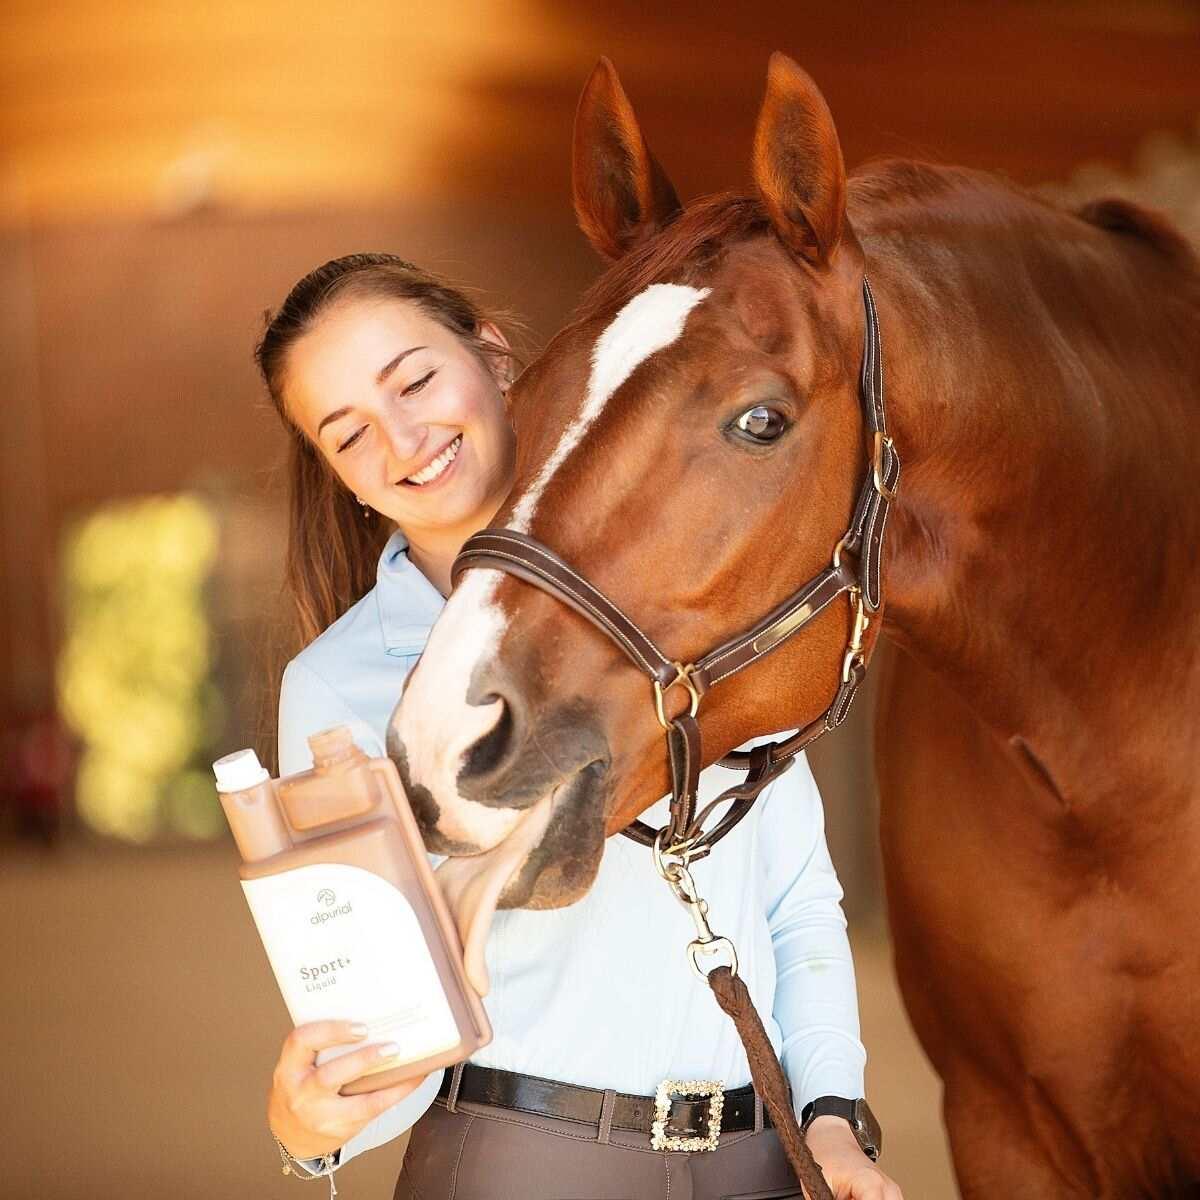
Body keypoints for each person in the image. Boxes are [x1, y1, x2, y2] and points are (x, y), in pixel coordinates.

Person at [254, 252, 904, 1200]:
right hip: (525, 1162)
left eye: (417, 380)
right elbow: (378, 1031)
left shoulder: (682, 590)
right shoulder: (336, 687)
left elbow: (795, 906)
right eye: (349, 435)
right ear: (341, 479)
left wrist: (834, 1124)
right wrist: (313, 1126)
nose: (402, 441)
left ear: (496, 357)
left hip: (759, 1161)